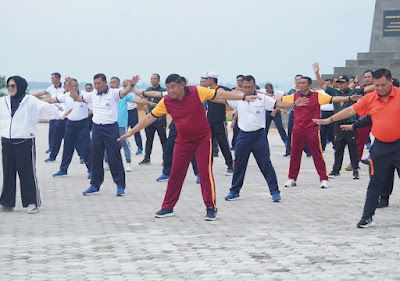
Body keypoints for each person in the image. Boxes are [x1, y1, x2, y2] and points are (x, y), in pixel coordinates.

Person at [118, 74, 260, 221]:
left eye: (173, 87)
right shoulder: (166, 101)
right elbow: (150, 117)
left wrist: (242, 97)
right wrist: (130, 132)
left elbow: (218, 94)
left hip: (202, 140)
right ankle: (167, 207)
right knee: (175, 174)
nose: (170, 91)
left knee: (205, 174)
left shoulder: (196, 91)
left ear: (181, 86)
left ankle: (211, 207)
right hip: (183, 142)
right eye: (168, 88)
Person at [313, 69, 400, 228]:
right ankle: (367, 217)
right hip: (380, 147)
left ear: (391, 82)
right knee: (375, 183)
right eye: (377, 85)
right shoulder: (371, 98)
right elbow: (351, 110)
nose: (379, 88)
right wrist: (330, 119)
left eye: (383, 85)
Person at [224, 76, 308, 202]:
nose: (247, 89)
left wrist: (294, 104)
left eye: (250, 87)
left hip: (259, 136)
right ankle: (234, 192)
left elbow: (278, 103)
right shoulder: (239, 98)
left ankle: (274, 192)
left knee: (265, 164)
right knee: (240, 165)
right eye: (245, 87)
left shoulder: (262, 98)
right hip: (243, 136)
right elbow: (221, 98)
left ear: (254, 86)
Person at [0, 76, 71, 214]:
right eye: (8, 86)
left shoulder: (30, 101)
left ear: (20, 87)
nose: (10, 88)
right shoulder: (3, 101)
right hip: (7, 141)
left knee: (27, 173)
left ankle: (32, 203)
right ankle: (7, 202)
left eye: (13, 86)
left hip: (24, 141)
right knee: (8, 173)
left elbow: (46, 108)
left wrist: (61, 114)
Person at [282, 76, 362, 189]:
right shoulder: (295, 96)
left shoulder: (317, 96)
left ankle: (323, 178)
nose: (301, 85)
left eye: (304, 83)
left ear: (309, 85)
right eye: (300, 83)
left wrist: (349, 98)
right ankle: (292, 178)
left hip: (312, 130)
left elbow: (333, 99)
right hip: (298, 129)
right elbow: (280, 100)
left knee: (317, 154)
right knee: (295, 154)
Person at [68, 74, 139, 196]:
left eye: (99, 83)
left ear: (105, 82)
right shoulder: (92, 94)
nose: (97, 86)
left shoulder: (113, 93)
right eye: (95, 83)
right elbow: (77, 98)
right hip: (96, 129)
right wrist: (70, 87)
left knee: (114, 157)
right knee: (96, 157)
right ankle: (95, 185)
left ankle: (120, 185)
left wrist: (131, 85)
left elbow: (124, 92)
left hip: (111, 128)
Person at [314, 63, 374, 179]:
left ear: (347, 83)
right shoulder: (334, 92)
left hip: (351, 124)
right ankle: (336, 170)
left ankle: (355, 170)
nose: (340, 85)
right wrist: (316, 73)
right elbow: (322, 85)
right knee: (338, 148)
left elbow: (367, 88)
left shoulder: (352, 92)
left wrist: (382, 83)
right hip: (338, 124)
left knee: (353, 148)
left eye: (342, 83)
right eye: (339, 83)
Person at [34, 78, 92, 179]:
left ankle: (91, 170)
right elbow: (51, 100)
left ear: (78, 86)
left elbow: (93, 109)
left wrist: (85, 114)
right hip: (70, 124)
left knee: (85, 148)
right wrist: (34, 99)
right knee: (67, 148)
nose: (74, 87)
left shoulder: (84, 96)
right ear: (67, 87)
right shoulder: (65, 96)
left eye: (75, 85)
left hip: (83, 125)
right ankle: (63, 170)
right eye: (71, 86)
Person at [340, 115, 399, 209]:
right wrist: (354, 125)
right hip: (383, 143)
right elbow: (369, 117)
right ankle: (384, 198)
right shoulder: (379, 105)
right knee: (386, 172)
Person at [202, 71, 234, 175]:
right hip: (209, 121)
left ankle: (230, 166)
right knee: (208, 145)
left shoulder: (222, 89)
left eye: (207, 79)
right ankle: (208, 167)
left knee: (224, 144)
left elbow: (234, 93)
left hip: (219, 121)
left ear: (212, 80)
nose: (205, 81)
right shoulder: (208, 91)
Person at [139, 74, 167, 165]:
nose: (152, 80)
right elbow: (144, 99)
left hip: (160, 118)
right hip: (149, 118)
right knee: (149, 139)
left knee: (163, 139)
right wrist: (144, 105)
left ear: (159, 80)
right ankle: (147, 158)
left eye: (154, 79)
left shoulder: (163, 91)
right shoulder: (148, 90)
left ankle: (166, 159)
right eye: (151, 79)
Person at [284, 74, 311, 157]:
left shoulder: (306, 91)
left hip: (303, 114)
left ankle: (308, 151)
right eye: (297, 80)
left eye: (300, 80)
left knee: (303, 132)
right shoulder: (291, 91)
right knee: (290, 132)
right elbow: (286, 100)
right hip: (293, 112)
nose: (298, 82)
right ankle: (288, 151)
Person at [127, 79, 144, 156]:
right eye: (126, 84)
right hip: (124, 112)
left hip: (133, 111)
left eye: (129, 83)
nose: (128, 85)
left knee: (136, 129)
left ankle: (139, 147)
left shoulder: (134, 91)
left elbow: (142, 97)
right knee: (122, 130)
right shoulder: (121, 91)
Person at [319, 79, 335, 152]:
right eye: (326, 84)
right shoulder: (321, 92)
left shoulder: (335, 91)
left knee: (333, 130)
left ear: (332, 84)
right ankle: (322, 146)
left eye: (329, 84)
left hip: (333, 112)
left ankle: (335, 146)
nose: (327, 85)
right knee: (323, 131)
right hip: (324, 112)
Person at [230, 75, 244, 150]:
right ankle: (234, 144)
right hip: (235, 112)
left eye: (240, 80)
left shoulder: (247, 90)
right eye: (237, 80)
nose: (239, 82)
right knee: (235, 129)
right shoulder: (234, 90)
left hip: (243, 112)